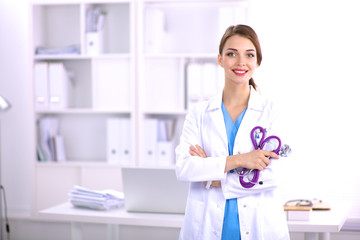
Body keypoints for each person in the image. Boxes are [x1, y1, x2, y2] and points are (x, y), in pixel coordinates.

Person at [175, 24, 290, 240]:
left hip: (260, 229)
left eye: (249, 54)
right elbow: (185, 168)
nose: (241, 62)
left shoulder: (271, 111)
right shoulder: (200, 113)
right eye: (231, 54)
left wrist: (212, 178)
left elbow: (274, 174)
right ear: (220, 59)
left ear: (257, 62)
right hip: (205, 229)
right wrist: (241, 160)